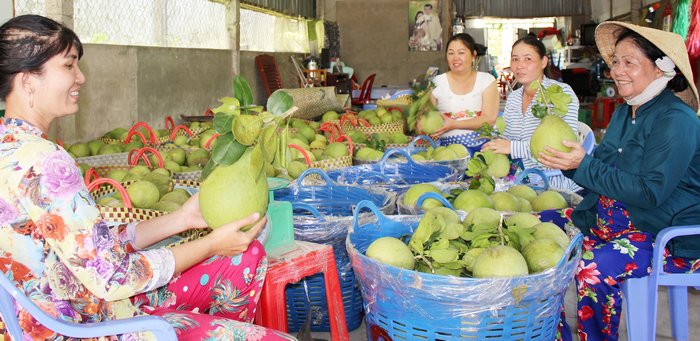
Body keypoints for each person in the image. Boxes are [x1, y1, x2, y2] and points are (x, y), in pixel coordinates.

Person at [0, 15, 295, 340]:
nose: (81, 77)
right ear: (28, 80)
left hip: (55, 313)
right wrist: (211, 243)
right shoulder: (44, 160)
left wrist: (181, 219)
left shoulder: (11, 148)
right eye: (69, 66)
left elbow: (91, 246)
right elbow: (113, 277)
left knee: (243, 256)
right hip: (87, 326)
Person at [538, 22, 700, 340]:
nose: (617, 71)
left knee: (591, 268)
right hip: (610, 220)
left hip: (660, 233)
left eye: (629, 62)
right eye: (615, 62)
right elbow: (601, 172)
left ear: (662, 69)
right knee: (542, 233)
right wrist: (572, 166)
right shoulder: (626, 112)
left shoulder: (677, 121)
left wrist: (583, 166)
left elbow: (649, 192)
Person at [481, 35, 581, 191]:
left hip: (555, 183)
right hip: (520, 180)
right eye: (515, 59)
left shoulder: (560, 93)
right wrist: (494, 142)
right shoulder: (514, 97)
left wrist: (513, 148)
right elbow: (506, 138)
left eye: (528, 59)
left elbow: (562, 147)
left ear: (543, 62)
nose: (520, 65)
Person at [427, 33, 499, 148]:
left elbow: (489, 120)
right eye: (451, 53)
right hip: (447, 152)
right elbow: (427, 116)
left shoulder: (486, 80)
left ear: (473, 55)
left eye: (461, 53)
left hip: (484, 148)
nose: (455, 58)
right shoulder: (437, 82)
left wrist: (455, 124)